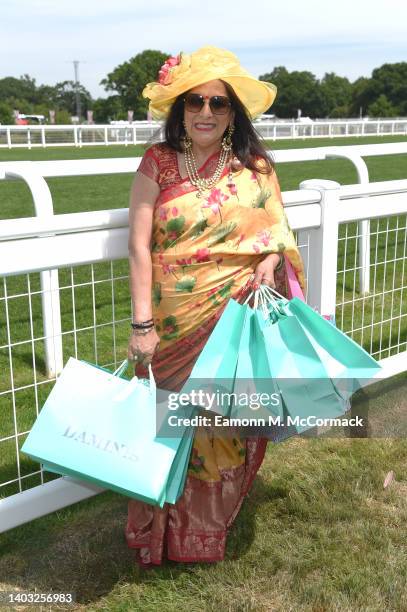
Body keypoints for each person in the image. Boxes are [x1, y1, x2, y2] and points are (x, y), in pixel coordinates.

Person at [125, 46, 305, 566]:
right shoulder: (157, 161)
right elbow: (138, 246)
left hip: (233, 318)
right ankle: (156, 536)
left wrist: (270, 260)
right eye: (195, 102)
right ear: (180, 109)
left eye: (218, 104)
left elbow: (277, 232)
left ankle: (203, 534)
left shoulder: (255, 167)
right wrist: (141, 324)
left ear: (234, 114)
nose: (205, 112)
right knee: (169, 426)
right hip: (170, 321)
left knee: (222, 428)